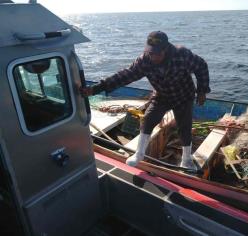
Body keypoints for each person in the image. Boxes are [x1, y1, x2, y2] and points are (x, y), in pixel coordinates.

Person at [80, 31, 210, 170]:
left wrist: (202, 90)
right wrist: (97, 88)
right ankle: (139, 153)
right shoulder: (144, 60)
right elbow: (126, 75)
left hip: (183, 96)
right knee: (148, 119)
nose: (153, 57)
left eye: (157, 53)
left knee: (184, 127)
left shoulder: (182, 54)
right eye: (150, 52)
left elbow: (201, 66)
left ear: (166, 49)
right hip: (162, 95)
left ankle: (186, 159)